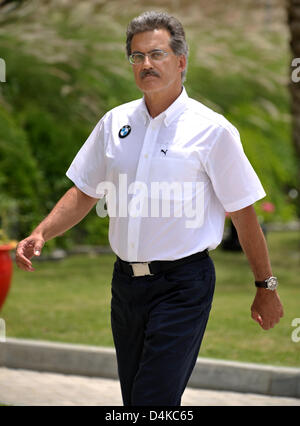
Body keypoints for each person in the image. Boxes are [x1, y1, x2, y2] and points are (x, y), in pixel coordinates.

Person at [16, 11, 284, 406]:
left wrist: (266, 286)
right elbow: (85, 190)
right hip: (125, 286)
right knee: (137, 401)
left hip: (183, 286)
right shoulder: (114, 123)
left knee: (150, 403)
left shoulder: (213, 130)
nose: (146, 64)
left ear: (181, 61)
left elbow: (244, 215)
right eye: (137, 56)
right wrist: (42, 232)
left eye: (156, 54)